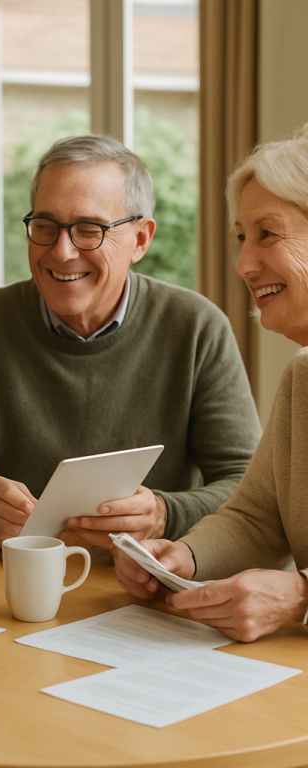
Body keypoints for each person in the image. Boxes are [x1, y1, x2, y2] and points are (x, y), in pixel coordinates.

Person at [0, 134, 261, 551]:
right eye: (45, 227)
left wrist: (163, 513)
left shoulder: (197, 328)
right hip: (8, 587)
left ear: (141, 240)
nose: (63, 252)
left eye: (89, 230)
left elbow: (247, 488)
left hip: (146, 590)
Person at [114, 124, 308, 643]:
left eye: (268, 233)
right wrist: (184, 556)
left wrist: (300, 597)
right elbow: (256, 519)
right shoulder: (302, 378)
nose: (244, 264)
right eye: (242, 238)